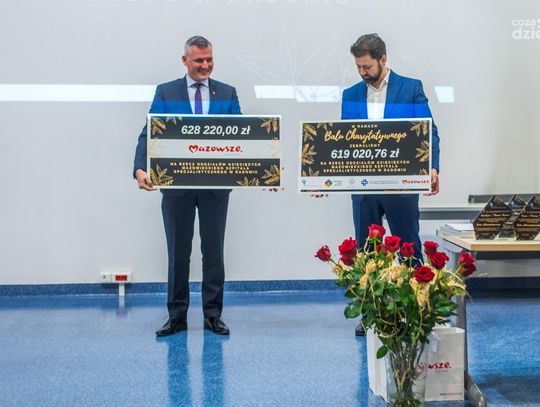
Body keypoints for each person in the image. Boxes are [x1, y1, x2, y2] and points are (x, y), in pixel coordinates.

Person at [133, 36, 241, 336]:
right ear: (185, 61)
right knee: (178, 253)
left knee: (214, 253)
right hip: (176, 186)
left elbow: (243, 136)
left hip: (215, 188)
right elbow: (149, 132)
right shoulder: (166, 92)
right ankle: (177, 317)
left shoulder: (228, 93)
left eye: (209, 59)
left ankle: (213, 316)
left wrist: (265, 170)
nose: (205, 65)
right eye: (198, 60)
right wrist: (139, 168)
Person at [341, 34, 440, 336]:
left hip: (401, 185)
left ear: (383, 59)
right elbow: (342, 139)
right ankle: (370, 313)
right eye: (358, 67)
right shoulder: (350, 94)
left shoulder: (410, 88)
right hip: (365, 188)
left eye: (367, 66)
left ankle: (417, 308)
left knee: (408, 246)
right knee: (366, 251)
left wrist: (433, 167)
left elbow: (428, 131)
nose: (362, 72)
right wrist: (323, 177)